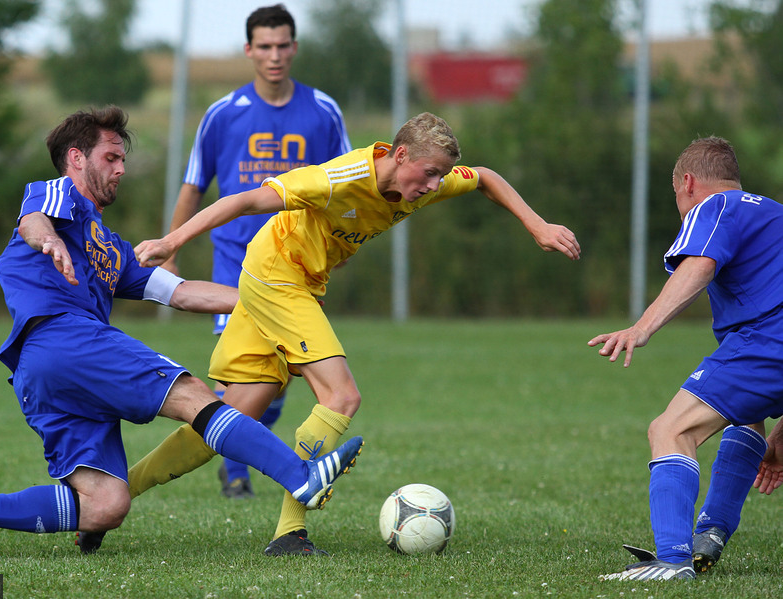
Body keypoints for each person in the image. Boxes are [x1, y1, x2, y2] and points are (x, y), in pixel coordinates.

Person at [133, 112, 581, 556]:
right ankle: (290, 533)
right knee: (341, 396)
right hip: (277, 277)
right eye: (428, 174)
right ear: (400, 154)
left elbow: (484, 177)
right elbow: (245, 201)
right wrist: (172, 243)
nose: (432, 186)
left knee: (232, 416)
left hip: (287, 280)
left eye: (440, 177)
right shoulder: (338, 178)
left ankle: (112, 496)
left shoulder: (422, 181)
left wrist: (536, 224)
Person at [0, 106, 363, 554]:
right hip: (65, 338)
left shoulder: (111, 249)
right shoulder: (57, 196)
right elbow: (33, 220)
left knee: (105, 505)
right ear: (76, 158)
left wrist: (277, 299)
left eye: (123, 160)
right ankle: (299, 477)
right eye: (111, 157)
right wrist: (47, 239)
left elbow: (183, 292)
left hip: (45, 374)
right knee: (195, 395)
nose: (122, 168)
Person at [137, 3, 351, 502]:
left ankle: (223, 444)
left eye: (283, 46)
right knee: (253, 379)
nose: (274, 56)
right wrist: (171, 250)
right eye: (265, 46)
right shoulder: (223, 114)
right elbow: (194, 187)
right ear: (249, 50)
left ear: (294, 48)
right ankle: (233, 465)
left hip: (298, 265)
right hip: (236, 264)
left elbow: (344, 186)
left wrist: (339, 247)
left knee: (280, 380)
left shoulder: (323, 111)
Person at [589, 136, 783, 581]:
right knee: (746, 419)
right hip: (767, 347)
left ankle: (673, 560)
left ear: (688, 183)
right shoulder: (774, 213)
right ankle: (710, 533)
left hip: (767, 339)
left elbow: (699, 265)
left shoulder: (715, 208)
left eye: (677, 193)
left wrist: (641, 328)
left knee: (670, 429)